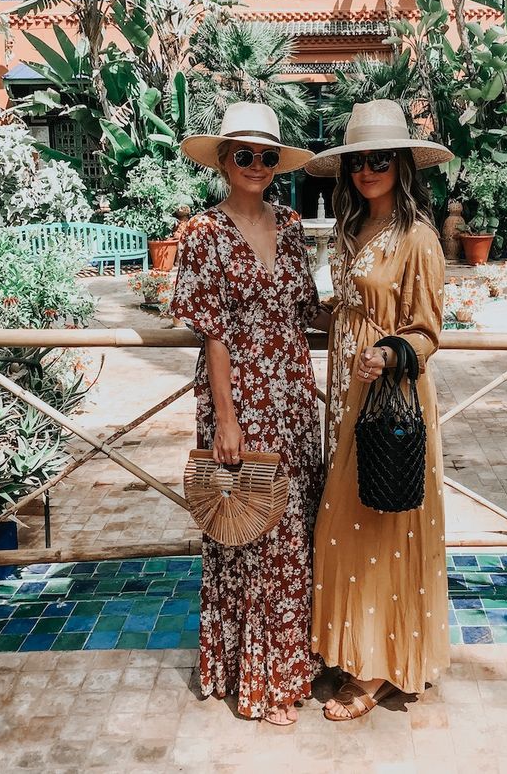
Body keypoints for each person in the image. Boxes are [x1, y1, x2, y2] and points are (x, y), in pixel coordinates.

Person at [171, 101, 322, 725]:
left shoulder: (289, 225)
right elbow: (214, 333)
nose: (255, 166)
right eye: (244, 156)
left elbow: (309, 310)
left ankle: (288, 665)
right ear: (225, 161)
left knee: (293, 531)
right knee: (250, 536)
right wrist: (227, 419)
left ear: (277, 165)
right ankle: (258, 681)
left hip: (293, 403)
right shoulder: (203, 234)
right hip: (242, 404)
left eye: (266, 157)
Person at [305, 99, 454, 721]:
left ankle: (375, 672)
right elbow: (344, 306)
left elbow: (428, 331)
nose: (368, 170)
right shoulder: (349, 229)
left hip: (391, 405)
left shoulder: (417, 238)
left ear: (400, 165)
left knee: (384, 529)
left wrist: (390, 355)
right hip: (344, 402)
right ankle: (353, 653)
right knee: (342, 530)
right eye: (358, 161)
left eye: (379, 159)